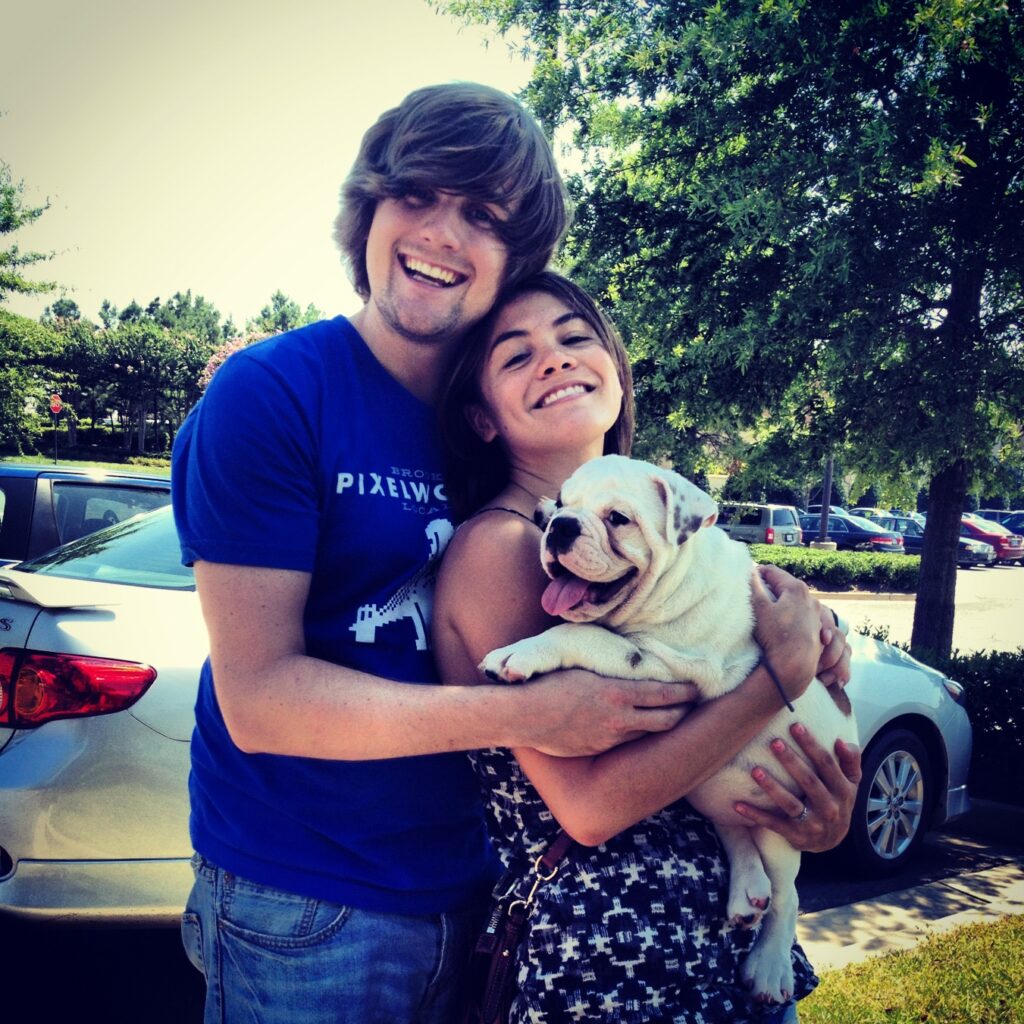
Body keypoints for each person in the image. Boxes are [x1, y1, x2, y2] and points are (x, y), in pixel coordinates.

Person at [171, 83, 708, 1024]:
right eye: (415, 194)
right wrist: (532, 711)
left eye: (484, 215)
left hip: (480, 892)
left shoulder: (507, 428)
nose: (441, 234)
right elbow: (259, 699)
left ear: (517, 256)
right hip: (305, 900)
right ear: (368, 209)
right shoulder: (273, 395)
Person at [432, 271, 861, 1023]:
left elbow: (771, 678)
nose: (557, 361)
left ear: (617, 371)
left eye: (574, 338)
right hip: (615, 960)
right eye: (517, 356)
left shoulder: (658, 529)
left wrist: (818, 808)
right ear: (482, 419)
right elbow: (591, 810)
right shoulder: (503, 549)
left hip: (726, 939)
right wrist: (779, 676)